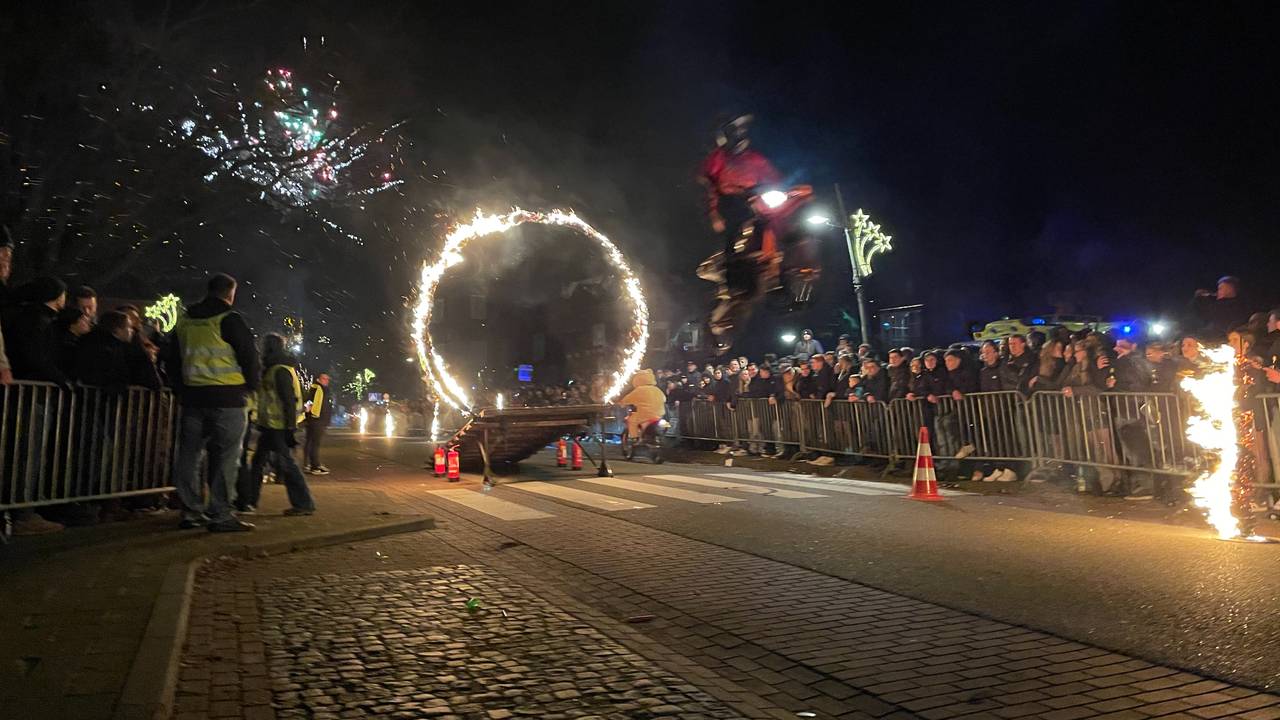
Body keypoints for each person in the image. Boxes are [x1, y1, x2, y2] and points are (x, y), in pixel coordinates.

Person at [168, 273, 260, 532]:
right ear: (230, 293)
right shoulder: (230, 320)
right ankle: (220, 514)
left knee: (189, 455)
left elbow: (172, 358)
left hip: (193, 399)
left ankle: (190, 511)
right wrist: (251, 387)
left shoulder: (185, 321)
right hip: (228, 399)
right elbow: (249, 357)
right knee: (227, 457)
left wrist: (180, 389)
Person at [699, 113, 782, 347]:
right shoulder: (719, 158)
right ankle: (732, 267)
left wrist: (783, 189)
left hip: (752, 198)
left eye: (742, 131)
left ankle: (772, 263)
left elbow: (774, 176)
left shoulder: (754, 158)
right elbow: (708, 182)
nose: (740, 136)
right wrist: (714, 211)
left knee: (769, 220)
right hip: (730, 201)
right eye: (735, 132)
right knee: (733, 232)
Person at [240, 333, 315, 516]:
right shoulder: (275, 369)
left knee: (285, 464)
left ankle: (303, 504)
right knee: (260, 463)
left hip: (278, 427)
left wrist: (290, 428)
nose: (261, 349)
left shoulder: (279, 370)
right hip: (270, 426)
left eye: (264, 346)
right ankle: (249, 502)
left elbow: (288, 401)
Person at [1189, 275, 1247, 341]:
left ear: (1229, 289)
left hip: (1218, 342)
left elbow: (1199, 313)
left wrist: (1199, 298)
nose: (1217, 292)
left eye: (1220, 289)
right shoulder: (1239, 305)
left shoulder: (1225, 307)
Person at [619, 369, 666, 443]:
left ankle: (634, 438)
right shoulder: (657, 390)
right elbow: (664, 399)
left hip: (645, 415)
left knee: (631, 420)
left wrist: (621, 403)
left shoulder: (639, 390)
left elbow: (627, 399)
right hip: (659, 415)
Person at [303, 371, 334, 475]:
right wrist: (308, 414)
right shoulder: (316, 388)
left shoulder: (323, 389)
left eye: (328, 379)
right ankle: (314, 466)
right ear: (318, 379)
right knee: (314, 443)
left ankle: (313, 464)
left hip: (318, 420)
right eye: (324, 378)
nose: (327, 381)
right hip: (316, 420)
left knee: (313, 443)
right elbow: (309, 402)